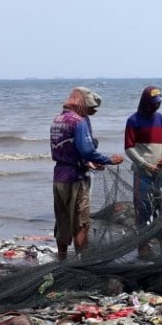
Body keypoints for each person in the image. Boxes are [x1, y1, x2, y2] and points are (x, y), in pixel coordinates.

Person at [50, 87, 124, 260]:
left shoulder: (57, 120)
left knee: (62, 220)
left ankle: (61, 259)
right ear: (82, 103)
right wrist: (108, 160)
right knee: (81, 222)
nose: (91, 112)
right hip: (76, 178)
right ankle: (80, 259)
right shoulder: (78, 121)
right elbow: (87, 150)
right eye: (90, 107)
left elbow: (68, 150)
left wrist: (89, 162)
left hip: (59, 176)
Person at [124, 86, 162, 258]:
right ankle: (142, 247)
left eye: (159, 103)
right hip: (142, 174)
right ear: (145, 103)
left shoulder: (161, 119)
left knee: (161, 208)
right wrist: (144, 164)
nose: (157, 106)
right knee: (142, 210)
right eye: (154, 103)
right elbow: (128, 148)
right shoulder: (133, 121)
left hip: (160, 173)